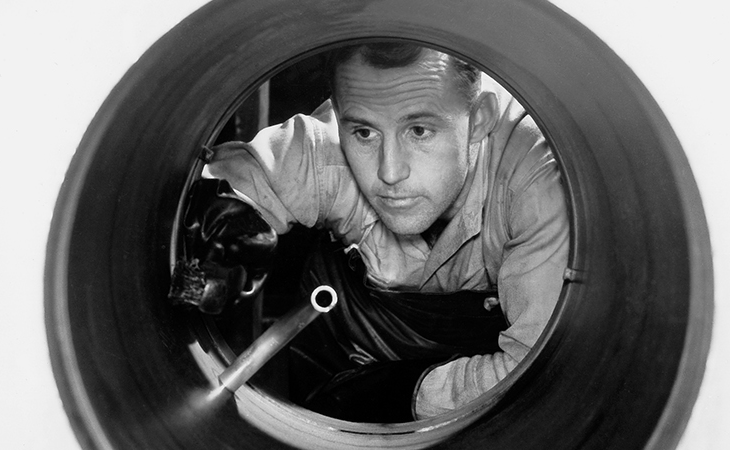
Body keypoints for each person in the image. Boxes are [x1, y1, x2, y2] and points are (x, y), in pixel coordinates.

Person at [173, 42, 568, 422]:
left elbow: (536, 372)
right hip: (337, 364)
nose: (389, 172)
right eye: (364, 133)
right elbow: (228, 180)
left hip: (467, 403)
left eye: (419, 131)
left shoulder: (537, 180)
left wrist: (401, 395)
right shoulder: (329, 149)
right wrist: (228, 225)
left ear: (479, 118)